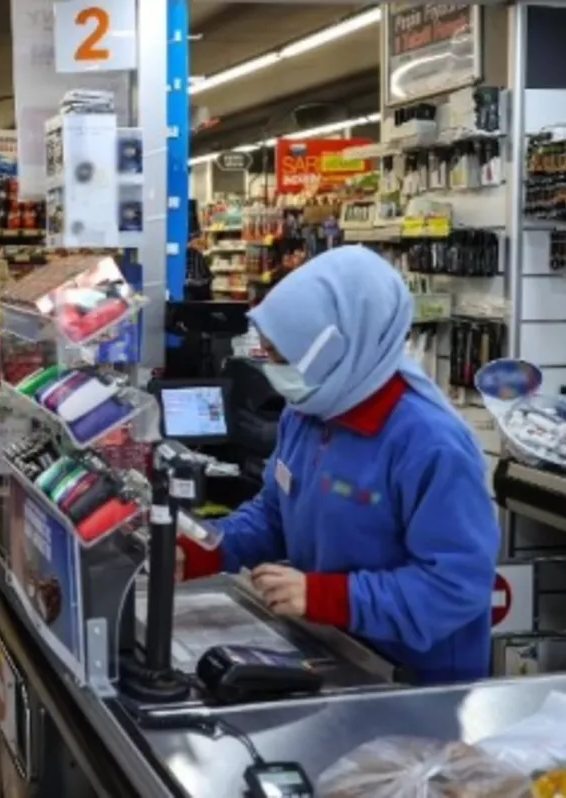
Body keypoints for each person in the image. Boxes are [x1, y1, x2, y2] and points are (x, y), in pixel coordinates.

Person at [177, 246, 499, 685]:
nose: (274, 370)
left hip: (416, 680)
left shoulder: (430, 443)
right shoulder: (311, 409)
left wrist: (329, 596)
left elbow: (454, 587)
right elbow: (275, 513)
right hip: (334, 648)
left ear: (335, 348)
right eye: (268, 354)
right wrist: (205, 548)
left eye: (284, 358)